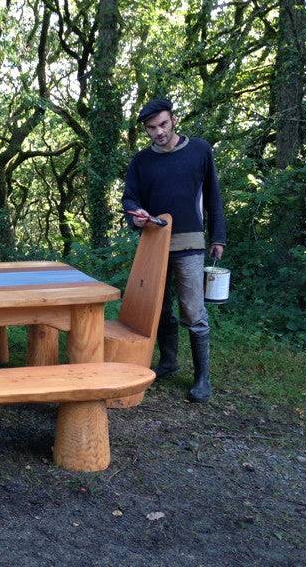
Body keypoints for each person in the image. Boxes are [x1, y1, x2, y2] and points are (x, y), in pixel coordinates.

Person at [122, 98, 226, 402]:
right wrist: (136, 213)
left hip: (190, 242)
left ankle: (202, 378)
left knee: (193, 310)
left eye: (163, 124)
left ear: (174, 120)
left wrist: (218, 236)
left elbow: (213, 196)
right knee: (160, 307)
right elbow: (129, 199)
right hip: (154, 243)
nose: (159, 132)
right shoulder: (141, 161)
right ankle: (168, 361)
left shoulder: (199, 150)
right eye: (152, 128)